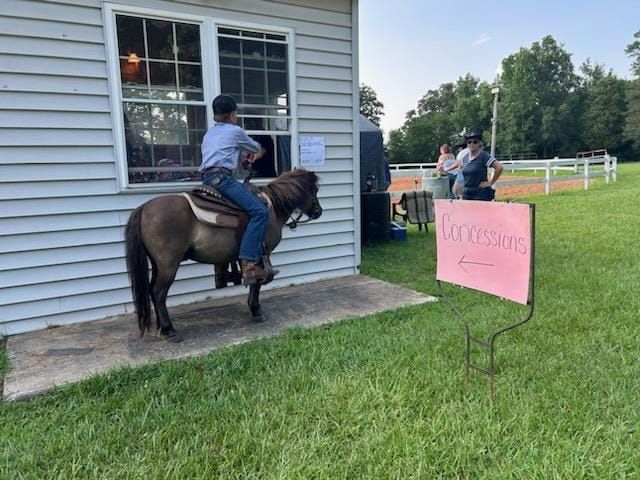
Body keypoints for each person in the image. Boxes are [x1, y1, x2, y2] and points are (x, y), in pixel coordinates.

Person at [199, 95, 274, 285]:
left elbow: (224, 153)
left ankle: (222, 268)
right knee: (260, 211)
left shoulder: (209, 134)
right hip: (222, 179)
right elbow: (256, 147)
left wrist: (243, 158)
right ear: (232, 115)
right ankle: (249, 265)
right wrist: (256, 154)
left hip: (207, 179)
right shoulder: (235, 131)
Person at [460, 131, 503, 201]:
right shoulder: (464, 158)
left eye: (475, 142)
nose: (472, 144)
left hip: (480, 192)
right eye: (469, 142)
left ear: (479, 143)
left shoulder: (483, 155)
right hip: (467, 192)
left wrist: (491, 182)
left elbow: (499, 167)